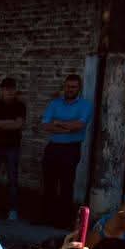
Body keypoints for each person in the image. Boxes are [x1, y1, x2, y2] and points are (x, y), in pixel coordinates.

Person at [39, 74, 93, 226]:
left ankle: (62, 221)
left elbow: (79, 126)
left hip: (71, 149)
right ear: (64, 87)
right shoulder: (54, 103)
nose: (70, 89)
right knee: (48, 183)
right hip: (53, 147)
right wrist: (67, 127)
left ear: (79, 88)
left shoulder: (85, 105)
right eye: (68, 86)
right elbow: (45, 125)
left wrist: (57, 123)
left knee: (66, 185)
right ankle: (45, 218)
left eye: (74, 87)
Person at [0, 77, 27, 220]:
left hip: (12, 147)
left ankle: (13, 210)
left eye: (12, 90)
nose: (9, 92)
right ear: (1, 91)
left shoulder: (20, 106)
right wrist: (9, 123)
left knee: (12, 179)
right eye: (6, 90)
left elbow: (18, 125)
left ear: (15, 91)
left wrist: (0, 123)